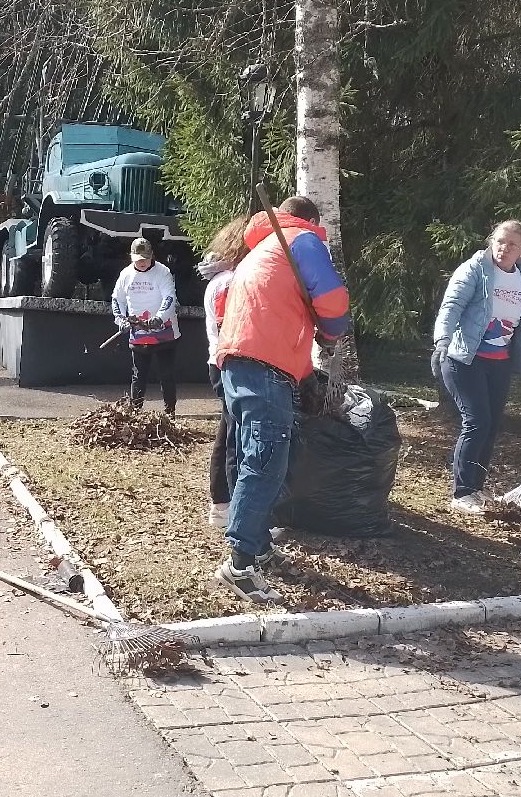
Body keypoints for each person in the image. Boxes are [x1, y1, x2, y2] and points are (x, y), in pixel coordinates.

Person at [214, 195, 349, 604]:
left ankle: (256, 545)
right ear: (309, 219)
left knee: (248, 453)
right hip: (265, 365)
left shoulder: (260, 250)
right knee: (266, 460)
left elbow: (272, 314)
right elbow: (332, 299)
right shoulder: (302, 241)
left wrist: (305, 374)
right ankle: (239, 564)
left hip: (239, 362)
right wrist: (332, 330)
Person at [432, 220, 521, 513]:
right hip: (463, 358)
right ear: (491, 241)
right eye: (500, 241)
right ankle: (462, 493)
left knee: (491, 426)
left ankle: (476, 491)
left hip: (499, 363)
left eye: (512, 244)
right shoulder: (475, 270)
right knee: (477, 421)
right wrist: (442, 342)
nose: (504, 248)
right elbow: (451, 307)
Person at [197, 216, 250, 527]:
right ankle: (225, 505)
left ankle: (223, 504)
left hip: (224, 362)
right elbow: (227, 325)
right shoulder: (228, 283)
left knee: (228, 432)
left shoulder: (224, 279)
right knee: (232, 436)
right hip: (228, 363)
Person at [111, 237, 181, 415]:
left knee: (166, 374)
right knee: (139, 374)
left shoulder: (162, 272)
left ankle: (169, 411)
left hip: (164, 331)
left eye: (145, 258)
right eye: (138, 259)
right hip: (138, 332)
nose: (142, 262)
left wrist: (159, 318)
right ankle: (135, 411)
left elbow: (169, 297)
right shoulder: (126, 274)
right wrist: (121, 320)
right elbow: (117, 299)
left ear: (152, 256)